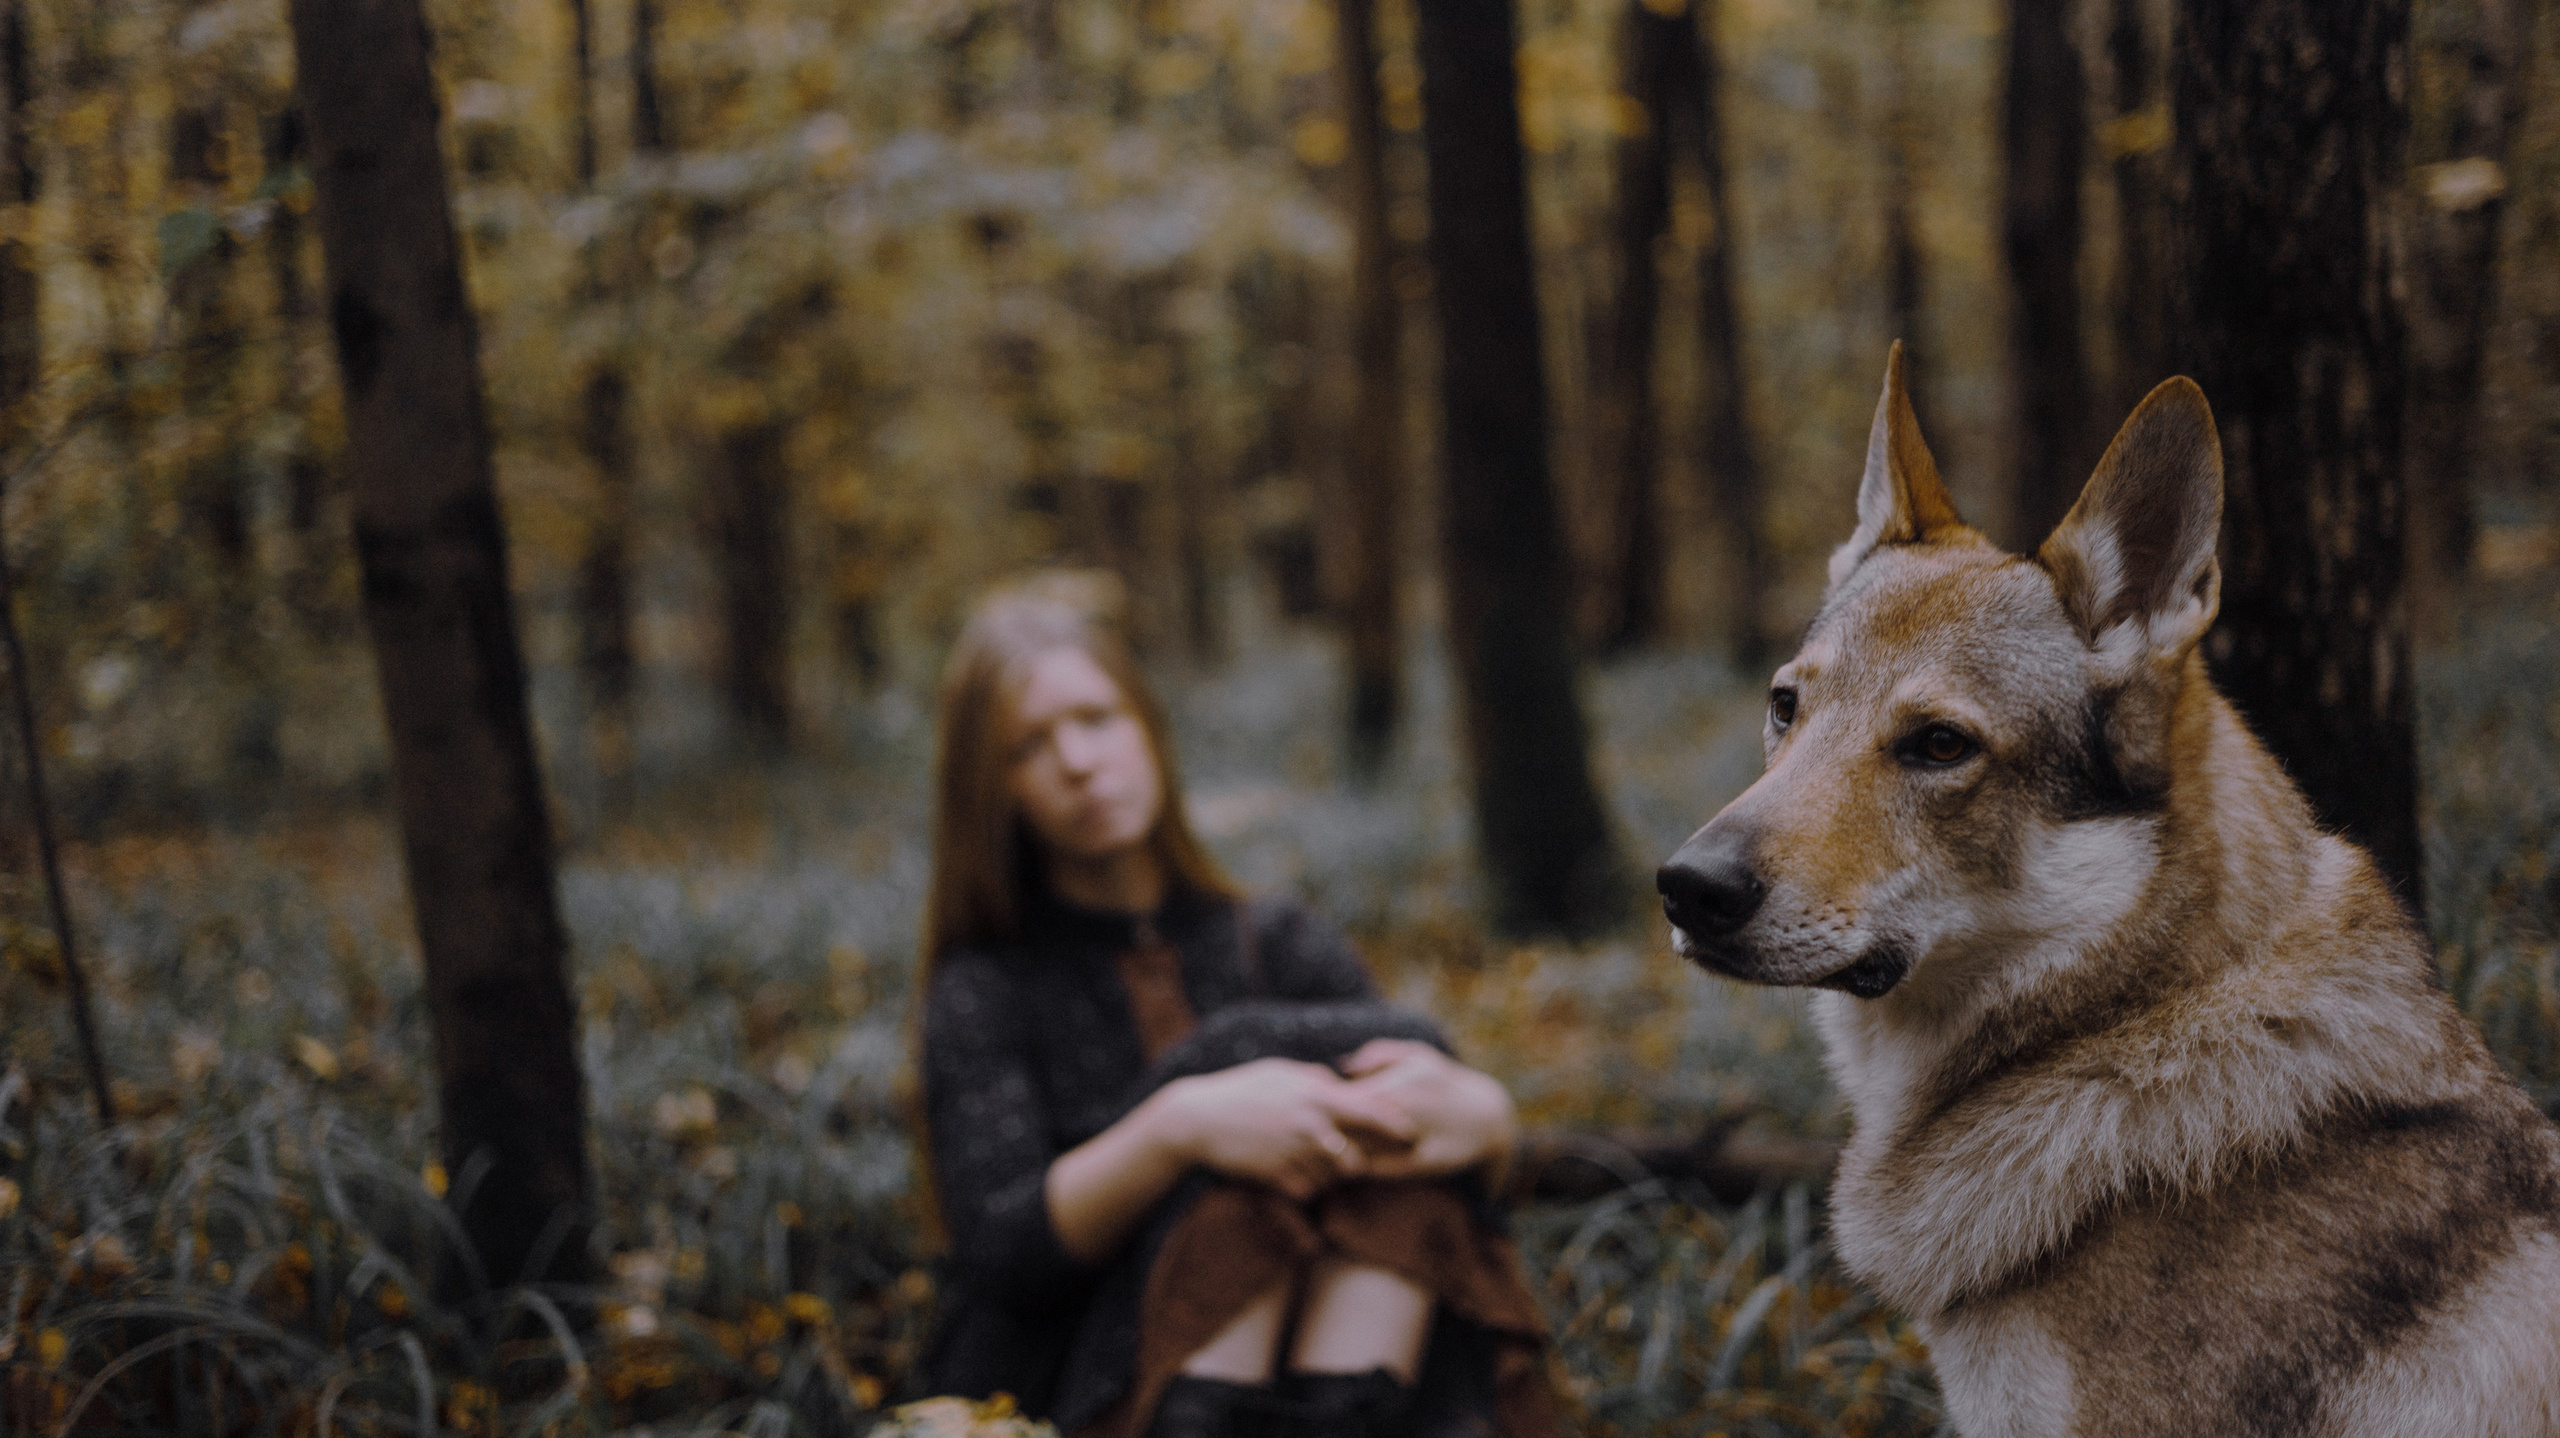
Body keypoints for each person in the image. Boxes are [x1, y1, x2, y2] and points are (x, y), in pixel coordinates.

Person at [916, 574, 1560, 1438]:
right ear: (990, 788)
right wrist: (1179, 1121)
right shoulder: (984, 986)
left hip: (1341, 1353)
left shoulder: (1275, 937)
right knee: (1232, 1217)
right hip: (1099, 1374)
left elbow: (1414, 1058)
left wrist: (1489, 1119)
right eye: (1028, 745)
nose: (1077, 761)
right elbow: (1005, 1251)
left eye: (1097, 719)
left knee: (1404, 1201)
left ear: (1148, 727)